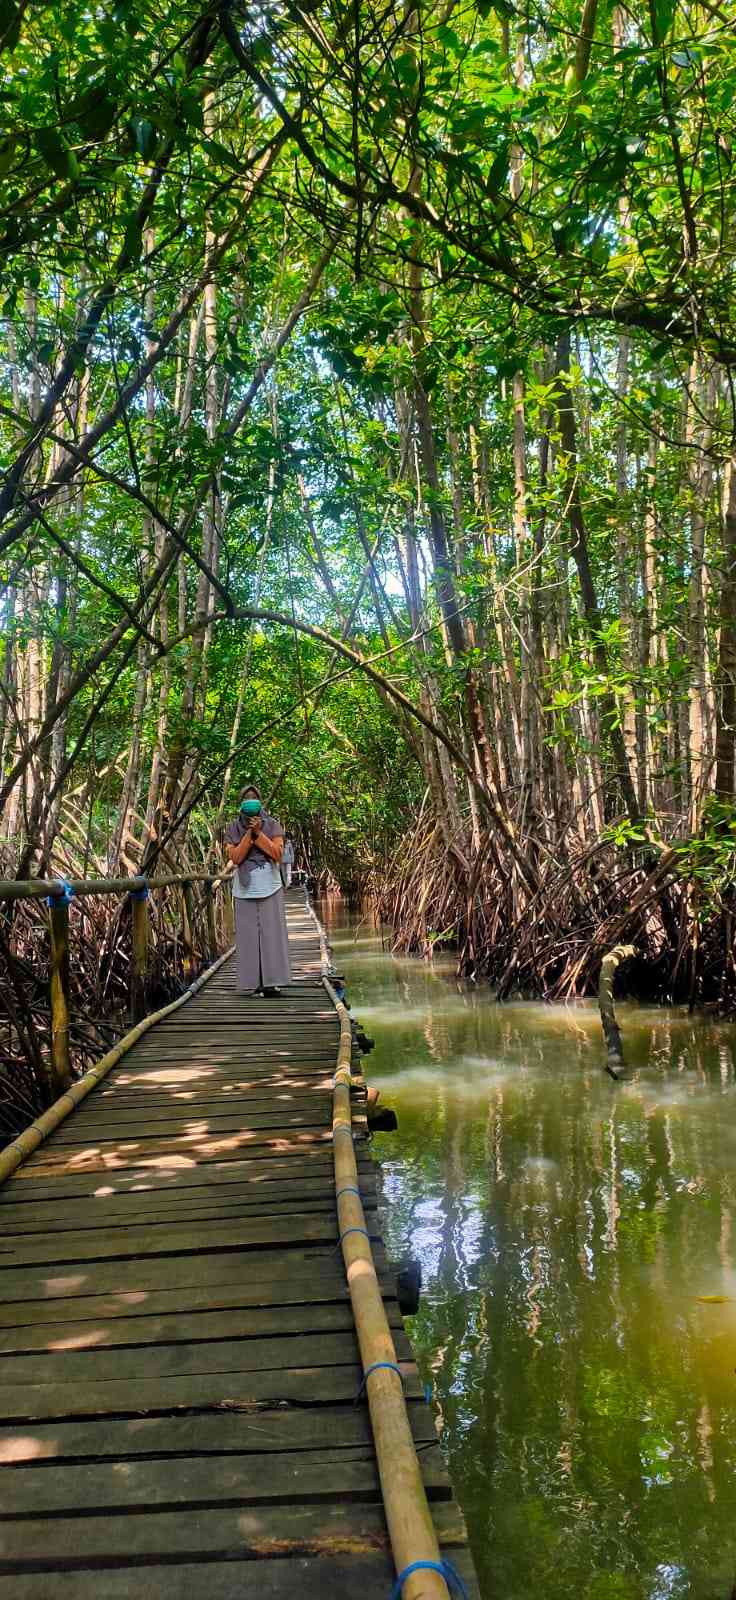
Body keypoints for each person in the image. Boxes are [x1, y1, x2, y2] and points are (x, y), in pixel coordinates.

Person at [225, 784, 291, 996]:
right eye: (247, 798)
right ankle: (252, 983)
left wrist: (259, 832)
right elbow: (235, 858)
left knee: (272, 935)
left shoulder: (273, 825)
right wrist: (249, 834)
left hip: (270, 885)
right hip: (244, 888)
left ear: (260, 802)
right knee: (248, 937)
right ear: (241, 804)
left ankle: (272, 983)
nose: (251, 800)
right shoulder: (233, 828)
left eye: (254, 797)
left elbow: (277, 854)